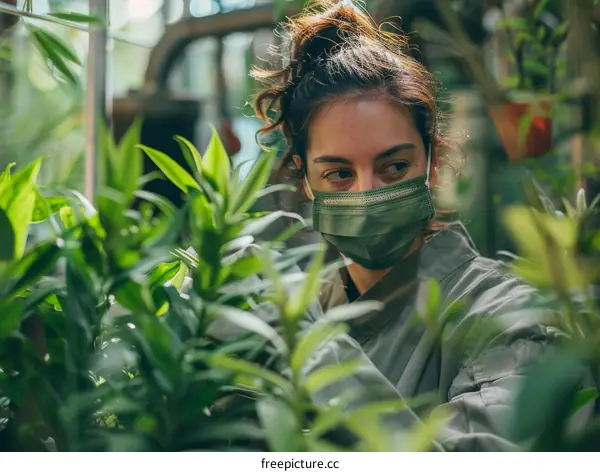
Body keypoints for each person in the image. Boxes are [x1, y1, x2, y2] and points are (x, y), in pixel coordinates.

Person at [251, 0, 591, 451]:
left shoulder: (505, 317)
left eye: (393, 167)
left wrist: (314, 350)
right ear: (307, 180)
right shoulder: (296, 311)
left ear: (430, 166)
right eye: (339, 174)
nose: (366, 193)